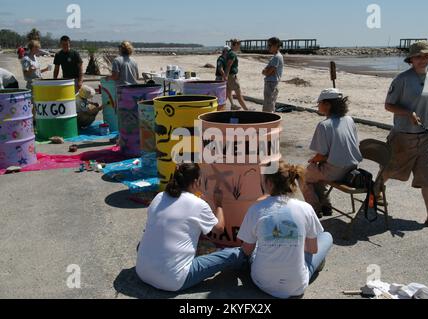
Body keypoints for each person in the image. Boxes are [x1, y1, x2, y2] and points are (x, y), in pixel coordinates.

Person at [136, 163, 248, 292]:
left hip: (142, 272)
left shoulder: (159, 196)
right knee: (233, 254)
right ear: (195, 182)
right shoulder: (197, 204)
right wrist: (219, 204)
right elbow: (219, 228)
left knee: (146, 242)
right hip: (173, 280)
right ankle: (248, 261)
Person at [238, 161, 333, 299]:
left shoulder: (256, 209)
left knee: (258, 245)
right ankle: (313, 264)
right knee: (326, 236)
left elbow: (246, 250)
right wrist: (294, 243)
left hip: (261, 282)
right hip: (296, 286)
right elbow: (312, 249)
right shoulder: (305, 208)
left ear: (270, 183)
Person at [382, 41, 428, 233]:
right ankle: (375, 191)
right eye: (419, 56)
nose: (423, 59)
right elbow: (388, 105)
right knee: (390, 169)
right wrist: (407, 113)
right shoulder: (401, 79)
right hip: (404, 137)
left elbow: (427, 104)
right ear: (411, 59)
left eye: (427, 56)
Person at [301, 89, 363, 218]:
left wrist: (313, 160)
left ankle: (314, 209)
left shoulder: (324, 125)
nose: (318, 105)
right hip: (352, 169)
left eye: (319, 103)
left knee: (303, 175)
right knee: (316, 175)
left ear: (327, 105)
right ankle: (325, 205)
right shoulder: (349, 119)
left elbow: (322, 154)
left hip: (336, 171)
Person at [224, 39, 250, 110]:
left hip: (229, 76)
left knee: (228, 92)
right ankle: (246, 109)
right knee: (238, 93)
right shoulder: (232, 54)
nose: (240, 47)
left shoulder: (229, 52)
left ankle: (232, 106)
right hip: (231, 76)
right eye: (239, 45)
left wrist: (225, 76)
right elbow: (228, 65)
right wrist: (226, 76)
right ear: (235, 45)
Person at [262, 37, 284, 113]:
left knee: (269, 104)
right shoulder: (275, 57)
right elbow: (267, 71)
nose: (268, 47)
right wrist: (265, 71)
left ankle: (268, 121)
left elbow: (268, 72)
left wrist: (265, 71)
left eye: (270, 45)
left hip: (271, 82)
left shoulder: (277, 57)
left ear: (276, 45)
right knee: (269, 103)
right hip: (271, 82)